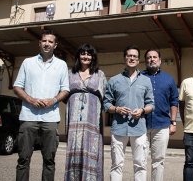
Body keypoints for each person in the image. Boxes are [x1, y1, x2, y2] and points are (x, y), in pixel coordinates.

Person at [13, 30, 70, 181]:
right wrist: (31, 100)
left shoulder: (62, 65)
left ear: (55, 45)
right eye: (44, 41)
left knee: (49, 160)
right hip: (28, 116)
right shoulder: (28, 62)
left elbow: (65, 89)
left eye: (50, 42)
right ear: (39, 43)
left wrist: (53, 100)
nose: (47, 44)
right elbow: (17, 86)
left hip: (50, 118)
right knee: (23, 159)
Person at [103, 45, 154, 181]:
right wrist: (116, 109)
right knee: (116, 165)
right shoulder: (114, 80)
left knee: (140, 165)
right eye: (129, 55)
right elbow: (106, 103)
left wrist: (142, 110)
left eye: (135, 56)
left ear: (138, 61)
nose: (132, 58)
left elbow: (151, 104)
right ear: (125, 58)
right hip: (119, 128)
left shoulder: (146, 80)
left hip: (139, 129)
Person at [64, 43, 107, 180]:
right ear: (78, 56)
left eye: (89, 54)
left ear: (93, 57)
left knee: (92, 151)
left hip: (92, 121)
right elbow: (64, 95)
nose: (86, 56)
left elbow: (105, 97)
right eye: (83, 53)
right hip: (74, 121)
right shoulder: (70, 74)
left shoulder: (99, 74)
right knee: (74, 150)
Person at [142, 49, 179, 181]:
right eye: (149, 57)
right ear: (145, 60)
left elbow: (174, 102)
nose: (152, 59)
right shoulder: (139, 77)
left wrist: (173, 122)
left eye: (154, 57)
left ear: (160, 60)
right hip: (141, 126)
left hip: (162, 125)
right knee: (140, 161)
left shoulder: (169, 80)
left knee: (158, 161)